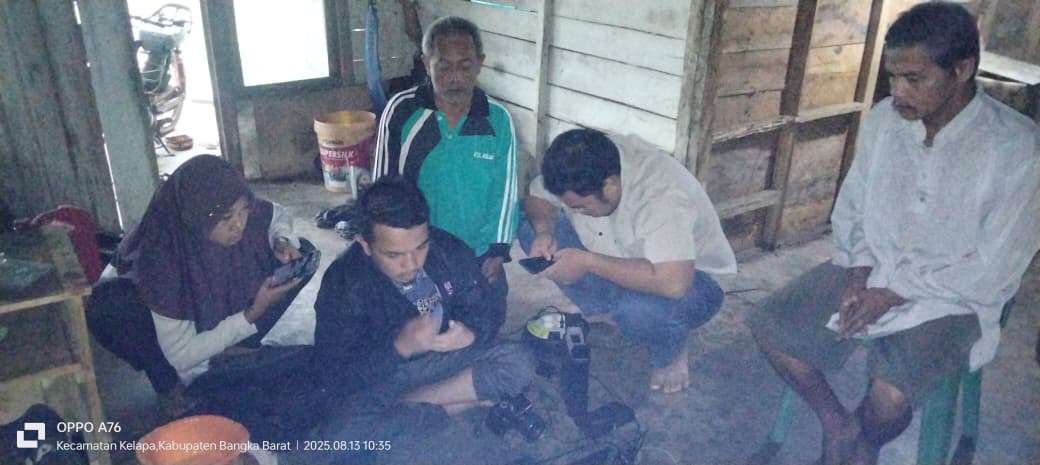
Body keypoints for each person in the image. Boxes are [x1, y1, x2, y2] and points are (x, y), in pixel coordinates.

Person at [748, 3, 1040, 464]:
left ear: (962, 70)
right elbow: (853, 206)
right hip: (875, 266)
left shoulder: (1017, 148)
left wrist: (891, 294)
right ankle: (838, 426)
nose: (897, 92)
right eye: (892, 77)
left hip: (955, 294)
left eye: (914, 79)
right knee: (769, 323)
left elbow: (995, 269)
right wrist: (857, 273)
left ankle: (864, 443)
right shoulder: (885, 120)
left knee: (889, 394)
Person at [86, 155, 315, 439]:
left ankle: (235, 347)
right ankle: (168, 385)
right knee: (109, 305)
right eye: (226, 218)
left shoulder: (233, 213)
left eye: (243, 211)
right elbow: (182, 355)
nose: (239, 225)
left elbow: (276, 215)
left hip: (213, 306)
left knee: (301, 254)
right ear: (196, 217)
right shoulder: (163, 258)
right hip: (167, 336)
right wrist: (252, 314)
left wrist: (282, 241)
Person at [521, 129, 736, 394]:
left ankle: (671, 352)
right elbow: (537, 196)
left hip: (692, 280)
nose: (577, 212)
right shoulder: (580, 167)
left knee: (639, 311)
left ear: (610, 185)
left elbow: (674, 283)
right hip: (618, 255)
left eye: (581, 207)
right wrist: (544, 232)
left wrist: (587, 262)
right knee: (527, 228)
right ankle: (606, 309)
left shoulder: (661, 196)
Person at [312, 177, 534, 423]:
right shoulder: (343, 283)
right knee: (341, 426)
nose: (411, 264)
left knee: (518, 361)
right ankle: (454, 403)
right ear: (365, 244)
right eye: (394, 255)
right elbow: (334, 371)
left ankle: (406, 408)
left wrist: (471, 333)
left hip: (446, 361)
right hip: (386, 375)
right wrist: (399, 348)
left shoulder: (448, 249)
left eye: (420, 248)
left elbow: (486, 308)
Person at [371, 15, 519, 309]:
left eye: (465, 66)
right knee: (413, 321)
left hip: (476, 251)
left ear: (480, 63)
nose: (455, 77)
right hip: (417, 252)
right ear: (426, 63)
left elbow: (505, 194)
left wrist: (497, 251)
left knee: (483, 323)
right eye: (444, 66)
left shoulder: (498, 119)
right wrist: (393, 253)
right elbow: (383, 190)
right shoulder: (402, 110)